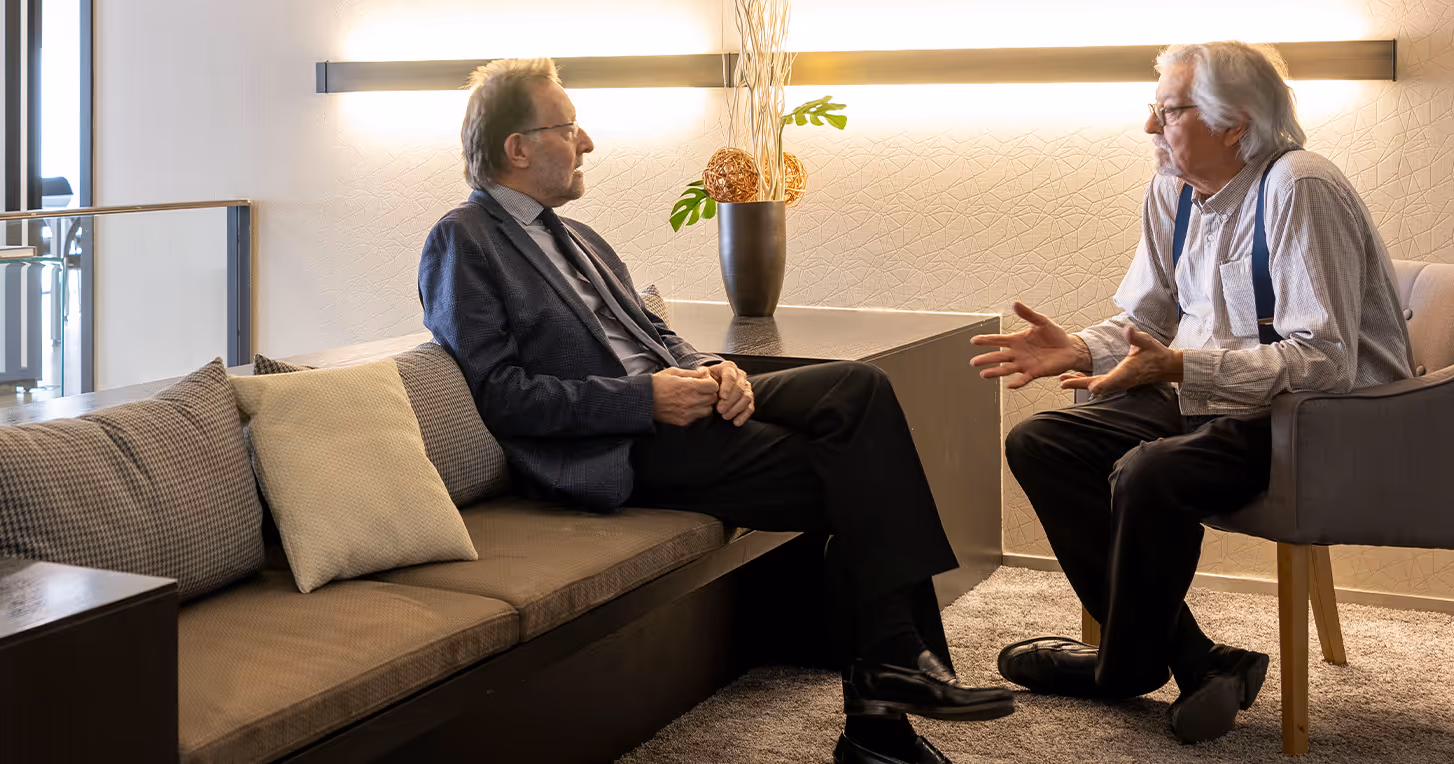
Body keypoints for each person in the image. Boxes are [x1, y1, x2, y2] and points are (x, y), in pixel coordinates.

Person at [419, 57, 1013, 764]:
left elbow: (655, 336)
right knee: (857, 480)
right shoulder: (462, 240)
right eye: (569, 127)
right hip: (619, 446)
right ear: (517, 147)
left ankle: (888, 701)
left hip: (683, 406)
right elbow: (499, 395)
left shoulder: (578, 237)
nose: (587, 144)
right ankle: (883, 713)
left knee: (855, 389)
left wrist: (710, 367)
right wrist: (643, 399)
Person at [968, 41, 1414, 744]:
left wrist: (1179, 369)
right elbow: (1149, 319)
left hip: (1320, 419)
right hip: (1214, 397)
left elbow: (1324, 360)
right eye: (1154, 110)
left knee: (1150, 471)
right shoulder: (1172, 189)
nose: (1149, 128)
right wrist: (1081, 347)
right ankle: (1196, 660)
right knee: (1041, 442)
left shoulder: (1299, 188)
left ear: (1233, 123)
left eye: (1169, 112)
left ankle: (1126, 667)